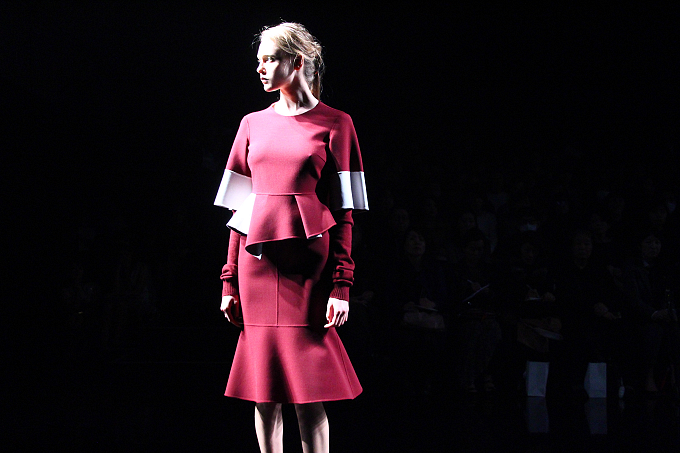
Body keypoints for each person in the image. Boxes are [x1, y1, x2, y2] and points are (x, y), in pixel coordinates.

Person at [214, 23, 367, 453]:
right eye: (258, 60)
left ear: (296, 61)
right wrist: (228, 281)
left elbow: (345, 212)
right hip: (256, 266)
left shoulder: (337, 123)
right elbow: (237, 211)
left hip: (308, 268)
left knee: (308, 389)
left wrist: (342, 284)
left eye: (269, 59)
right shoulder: (251, 123)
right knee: (264, 389)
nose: (260, 68)